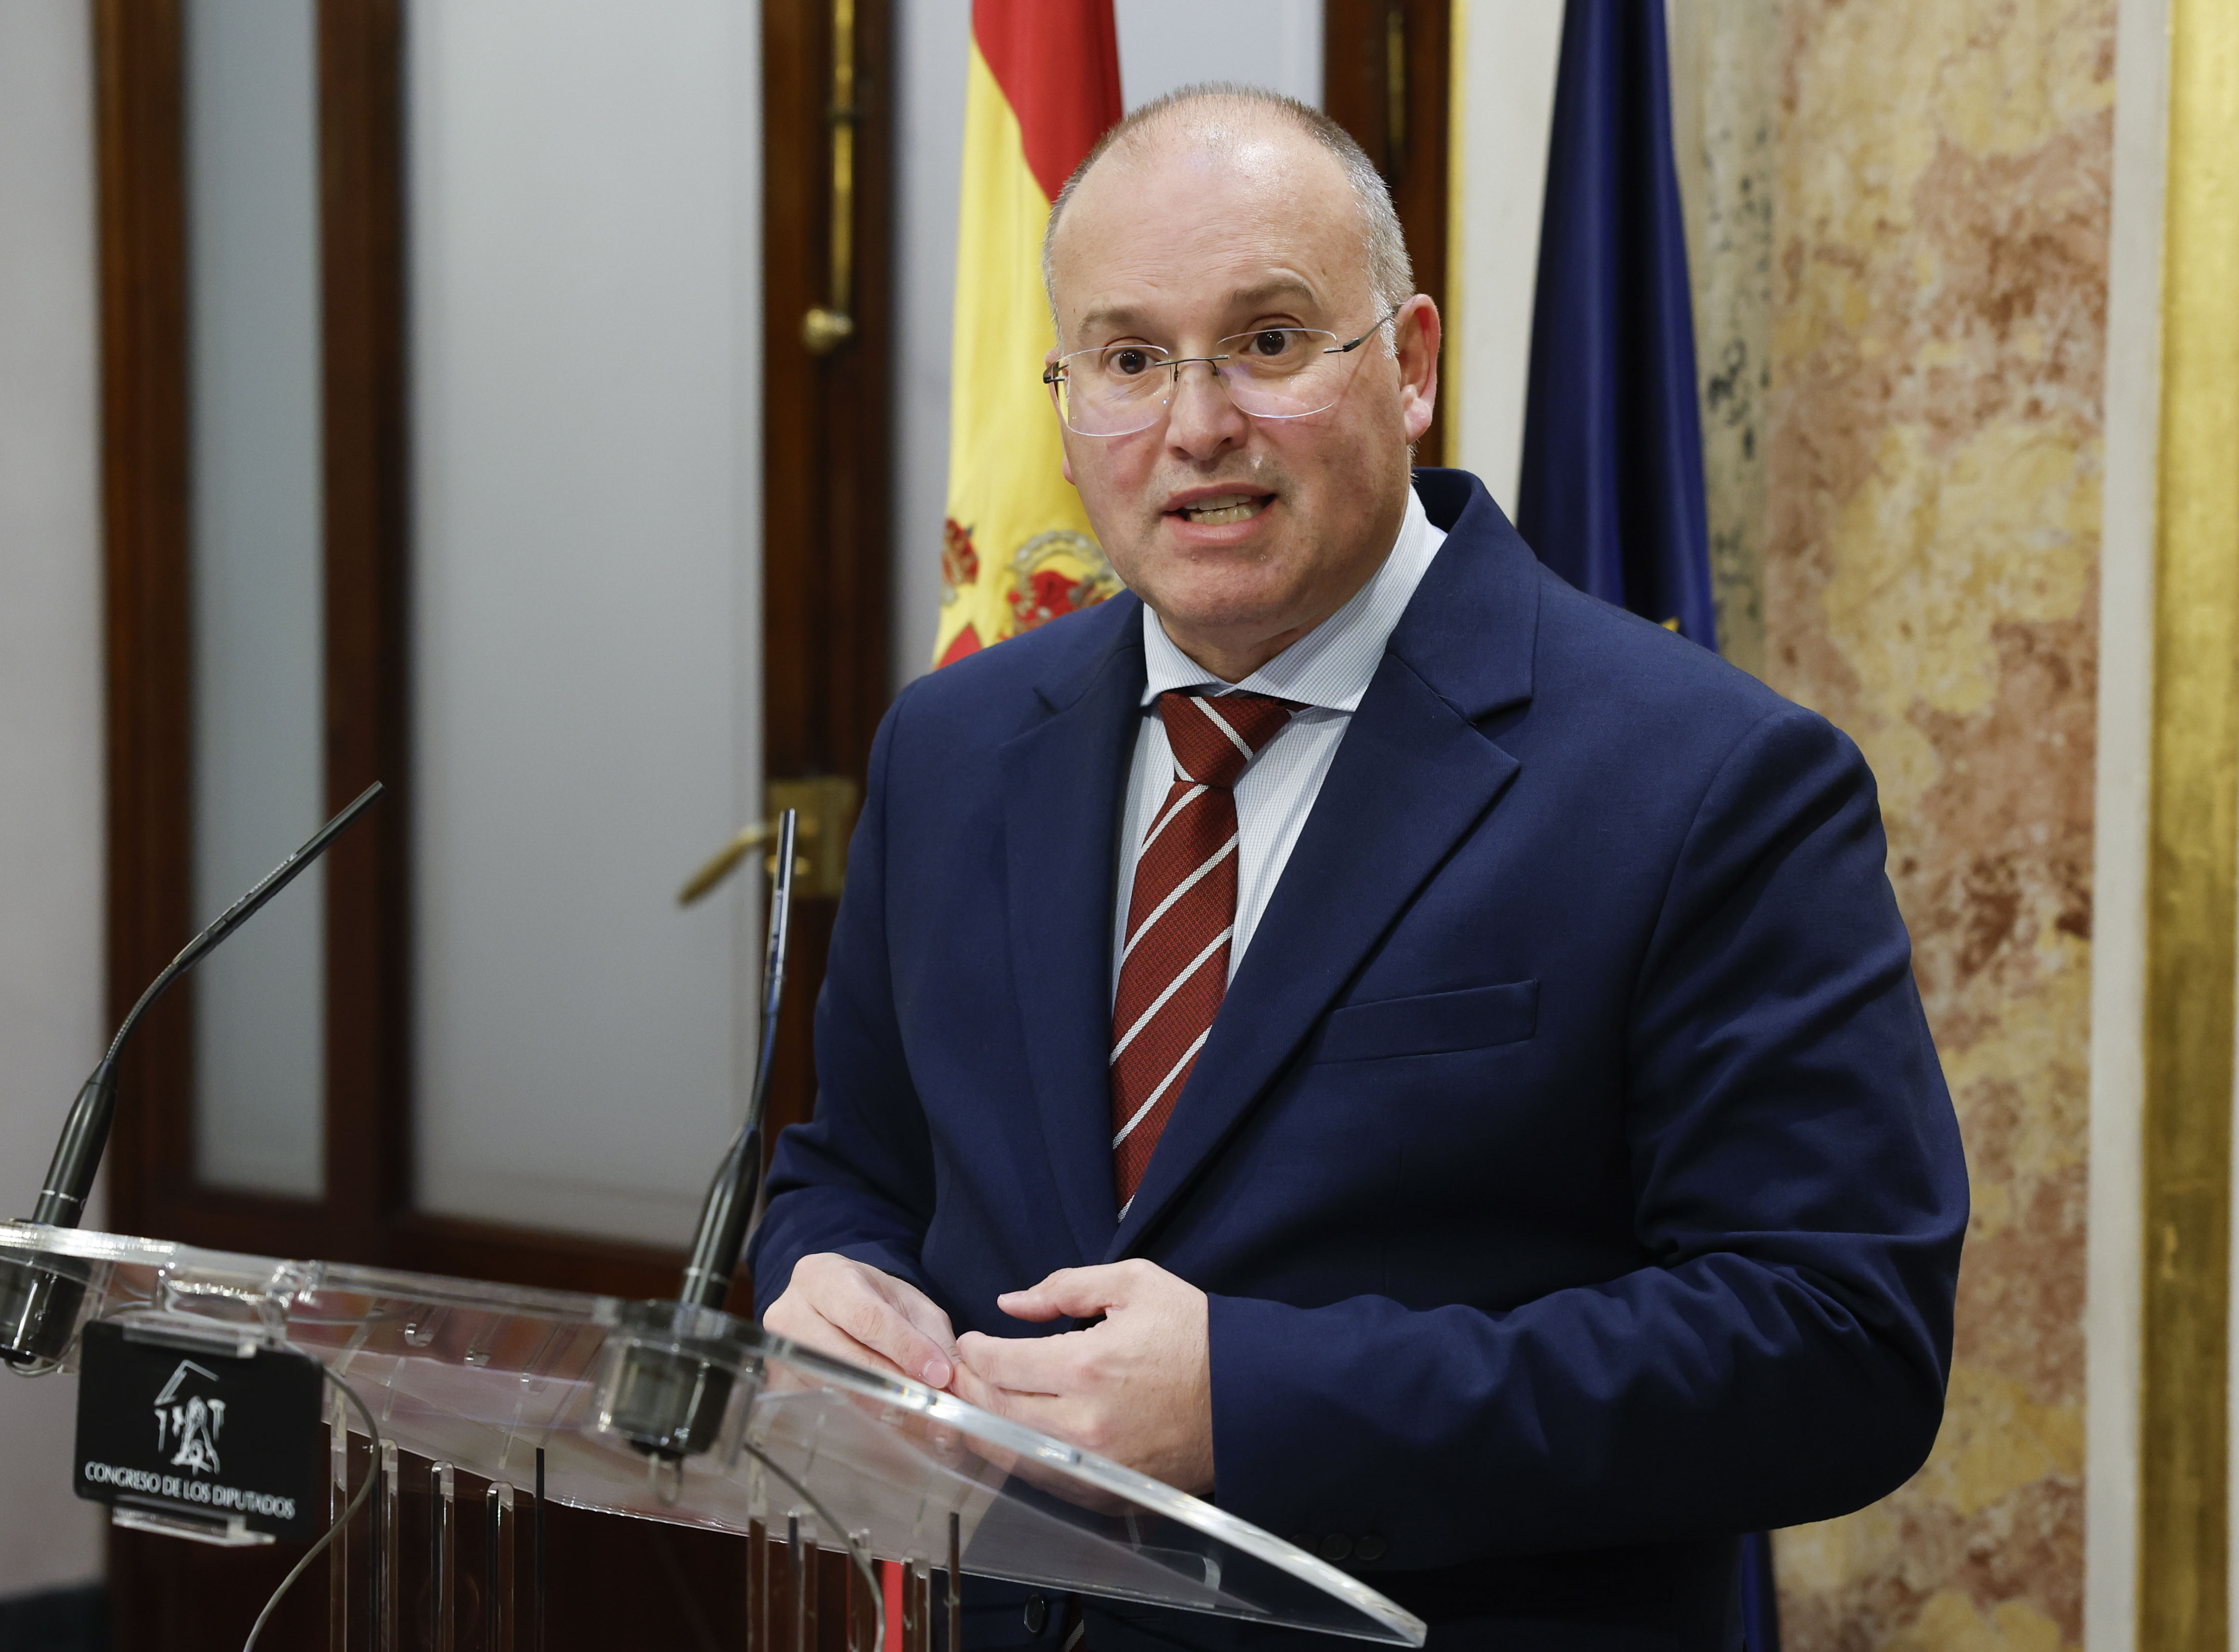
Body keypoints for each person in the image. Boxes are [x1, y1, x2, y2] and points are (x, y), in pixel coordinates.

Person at [751, 84, 1965, 1650]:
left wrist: (1256, 1404)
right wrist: (832, 1280)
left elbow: (1838, 1348)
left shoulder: (1708, 781)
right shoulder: (955, 747)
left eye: (1267, 341)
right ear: (1064, 399)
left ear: (1411, 364)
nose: (1196, 426)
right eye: (1128, 358)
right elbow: (860, 1166)